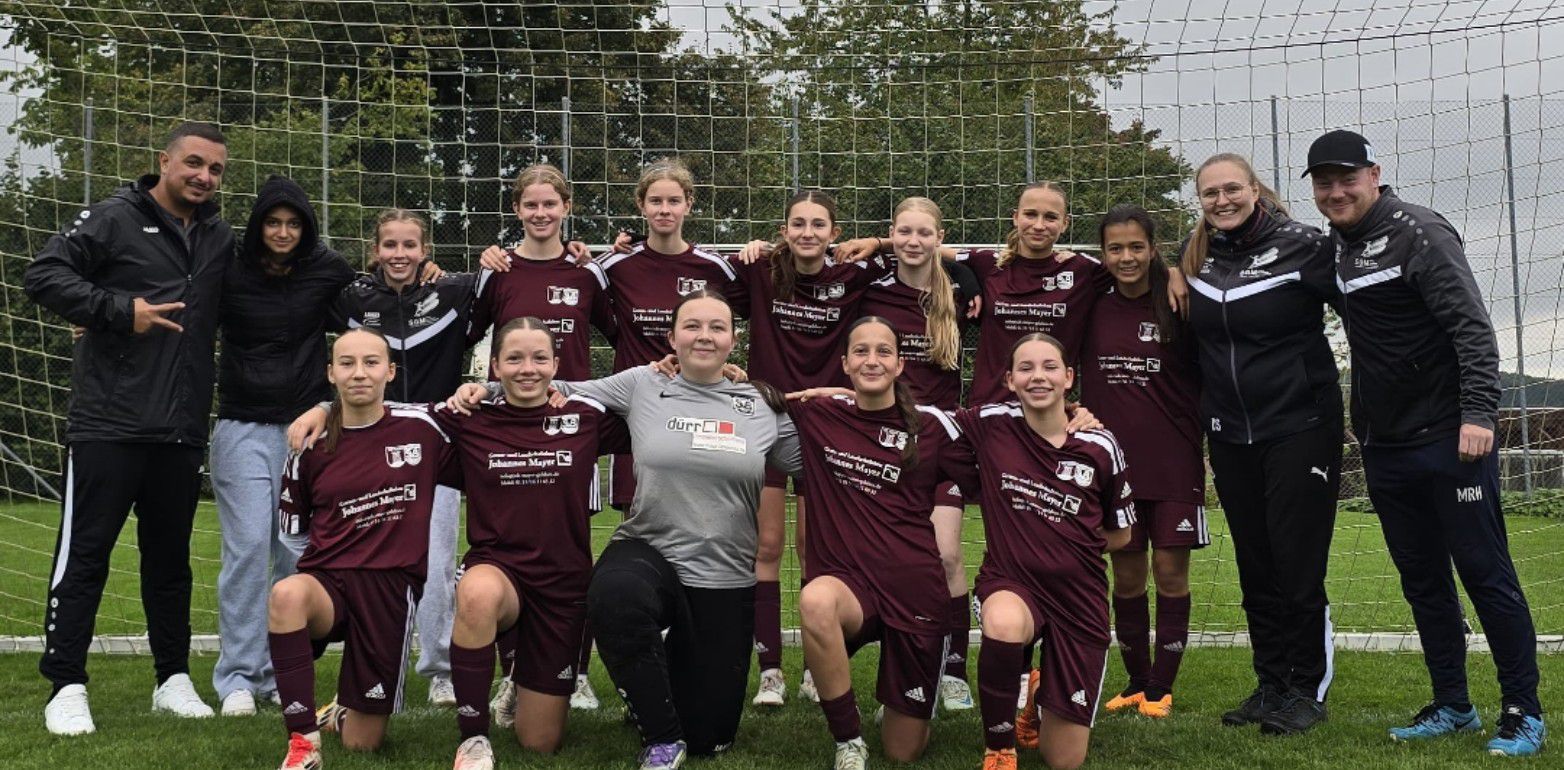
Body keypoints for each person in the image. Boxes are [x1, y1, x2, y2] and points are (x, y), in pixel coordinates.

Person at [452, 288, 799, 770]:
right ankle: (661, 737)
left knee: (709, 737)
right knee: (615, 594)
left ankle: (664, 687)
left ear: (733, 340)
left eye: (717, 327)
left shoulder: (760, 405)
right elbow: (554, 384)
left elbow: (819, 461)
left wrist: (836, 399)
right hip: (648, 550)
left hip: (724, 574)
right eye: (692, 326)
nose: (704, 336)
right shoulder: (642, 384)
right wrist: (483, 390)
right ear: (672, 338)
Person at [1306, 129, 1546, 756]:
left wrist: (1479, 414)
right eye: (1324, 182)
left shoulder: (1420, 231)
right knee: (1423, 581)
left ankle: (1523, 711)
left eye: (1347, 178)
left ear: (1374, 174)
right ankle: (1453, 705)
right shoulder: (1335, 247)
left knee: (1485, 573)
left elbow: (1472, 327)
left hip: (1449, 437)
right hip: (1384, 445)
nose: (1336, 191)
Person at [25, 121, 232, 735]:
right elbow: (44, 275)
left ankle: (173, 678)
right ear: (164, 161)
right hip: (107, 424)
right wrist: (118, 310)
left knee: (170, 564)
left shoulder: (219, 236)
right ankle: (66, 685)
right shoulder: (114, 218)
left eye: (216, 169)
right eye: (193, 163)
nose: (204, 176)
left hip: (180, 427)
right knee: (85, 557)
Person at [1180, 153, 1342, 735]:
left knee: (1297, 564)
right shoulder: (1195, 255)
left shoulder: (1304, 245)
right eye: (1210, 193)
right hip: (1230, 434)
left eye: (1232, 189)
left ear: (1255, 189)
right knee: (1256, 565)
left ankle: (1306, 689)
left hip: (1301, 427)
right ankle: (1271, 683)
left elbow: (1366, 309)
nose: (1222, 200)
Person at [267, 327, 453, 770]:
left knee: (362, 745)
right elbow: (293, 532)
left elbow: (486, 410)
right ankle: (303, 741)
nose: (359, 374)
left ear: (390, 371)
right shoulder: (310, 443)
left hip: (389, 587)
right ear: (331, 373)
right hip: (328, 583)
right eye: (347, 364)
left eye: (371, 363)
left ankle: (341, 712)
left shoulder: (424, 426)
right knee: (286, 594)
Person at [789, 317, 969, 770]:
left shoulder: (932, 426)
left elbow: (1004, 438)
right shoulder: (817, 414)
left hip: (915, 592)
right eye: (862, 352)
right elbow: (753, 399)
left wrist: (1075, 415)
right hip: (851, 589)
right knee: (815, 600)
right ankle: (848, 740)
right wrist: (729, 372)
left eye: (883, 352)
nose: (872, 360)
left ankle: (907, 703)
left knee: (903, 752)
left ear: (900, 364)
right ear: (845, 363)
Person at [732, 189, 888, 707]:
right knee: (767, 546)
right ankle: (770, 671)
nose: (807, 233)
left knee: (815, 549)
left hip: (827, 426)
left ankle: (815, 667)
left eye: (818, 224)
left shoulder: (853, 276)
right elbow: (695, 279)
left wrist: (880, 240)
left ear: (834, 233)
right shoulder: (760, 270)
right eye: (797, 223)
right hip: (766, 419)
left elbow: (925, 250)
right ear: (783, 230)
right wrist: (746, 249)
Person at [468, 165, 615, 713]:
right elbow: (469, 332)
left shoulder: (586, 272)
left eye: (550, 204)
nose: (540, 213)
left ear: (566, 207)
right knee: (507, 550)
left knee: (573, 551)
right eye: (530, 204)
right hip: (508, 434)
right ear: (516, 210)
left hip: (569, 433)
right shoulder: (497, 271)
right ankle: (513, 674)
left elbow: (620, 334)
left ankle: (576, 672)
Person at [209, 175, 356, 717]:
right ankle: (238, 677)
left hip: (309, 429)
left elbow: (375, 309)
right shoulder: (228, 268)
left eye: (293, 223)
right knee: (249, 548)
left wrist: (430, 273)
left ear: (306, 229)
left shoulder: (328, 269)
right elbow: (180, 301)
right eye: (273, 222)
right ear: (258, 226)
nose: (283, 232)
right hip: (242, 426)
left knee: (297, 551)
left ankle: (280, 673)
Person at [960, 333, 1135, 770]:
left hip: (1079, 599)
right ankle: (999, 747)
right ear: (1010, 380)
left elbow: (1122, 536)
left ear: (1068, 377)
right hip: (1011, 583)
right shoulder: (990, 424)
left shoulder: (1101, 445)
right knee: (1003, 623)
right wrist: (847, 396)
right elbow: (915, 417)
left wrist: (1065, 541)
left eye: (1049, 367)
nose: (1038, 376)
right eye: (1026, 368)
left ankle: (1037, 697)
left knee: (1063, 760)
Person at [328, 208, 479, 706]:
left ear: (424, 250)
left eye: (409, 245)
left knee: (437, 561)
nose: (399, 254)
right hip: (368, 445)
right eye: (390, 245)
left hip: (437, 443)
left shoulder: (452, 292)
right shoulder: (351, 298)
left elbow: (516, 274)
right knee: (369, 560)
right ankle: (370, 661)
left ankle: (440, 667)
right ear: (375, 250)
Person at [1081, 205, 1205, 720]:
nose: (1126, 257)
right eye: (1115, 248)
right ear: (1103, 254)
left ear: (1154, 250)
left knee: (1170, 574)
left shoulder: (1180, 301)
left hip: (1174, 462)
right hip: (1115, 469)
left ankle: (1161, 688)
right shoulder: (1090, 301)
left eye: (1136, 246)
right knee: (1127, 578)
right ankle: (1135, 682)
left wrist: (1177, 272)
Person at [858, 197, 980, 713]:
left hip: (944, 443)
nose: (913, 241)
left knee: (947, 555)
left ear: (939, 237)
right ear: (892, 233)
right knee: (896, 564)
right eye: (903, 232)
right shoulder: (871, 289)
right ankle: (901, 675)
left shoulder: (961, 288)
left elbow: (990, 264)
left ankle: (954, 669)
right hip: (887, 443)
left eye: (924, 233)